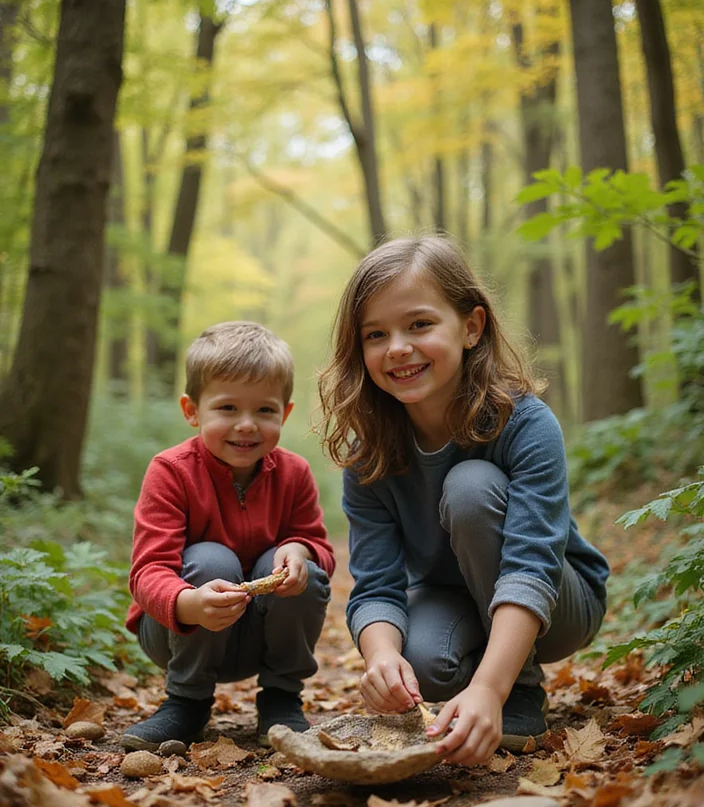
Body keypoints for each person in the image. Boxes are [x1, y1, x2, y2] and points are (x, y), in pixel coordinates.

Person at [318, 235, 608, 767]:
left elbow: (531, 566)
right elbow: (378, 584)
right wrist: (381, 658)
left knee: (471, 486)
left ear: (471, 327)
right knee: (421, 666)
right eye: (376, 334)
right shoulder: (371, 457)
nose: (398, 347)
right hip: (449, 597)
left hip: (558, 601)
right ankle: (479, 674)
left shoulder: (525, 423)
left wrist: (492, 690)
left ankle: (517, 683)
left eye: (420, 325)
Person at [121, 321, 334, 752]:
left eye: (265, 411)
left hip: (257, 635)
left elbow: (321, 549)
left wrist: (298, 548)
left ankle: (280, 699)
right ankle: (186, 701)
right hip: (177, 629)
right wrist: (188, 604)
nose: (247, 425)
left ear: (285, 413)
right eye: (228, 408)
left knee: (304, 570)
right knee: (211, 559)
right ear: (192, 410)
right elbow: (147, 571)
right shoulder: (171, 471)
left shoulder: (294, 474)